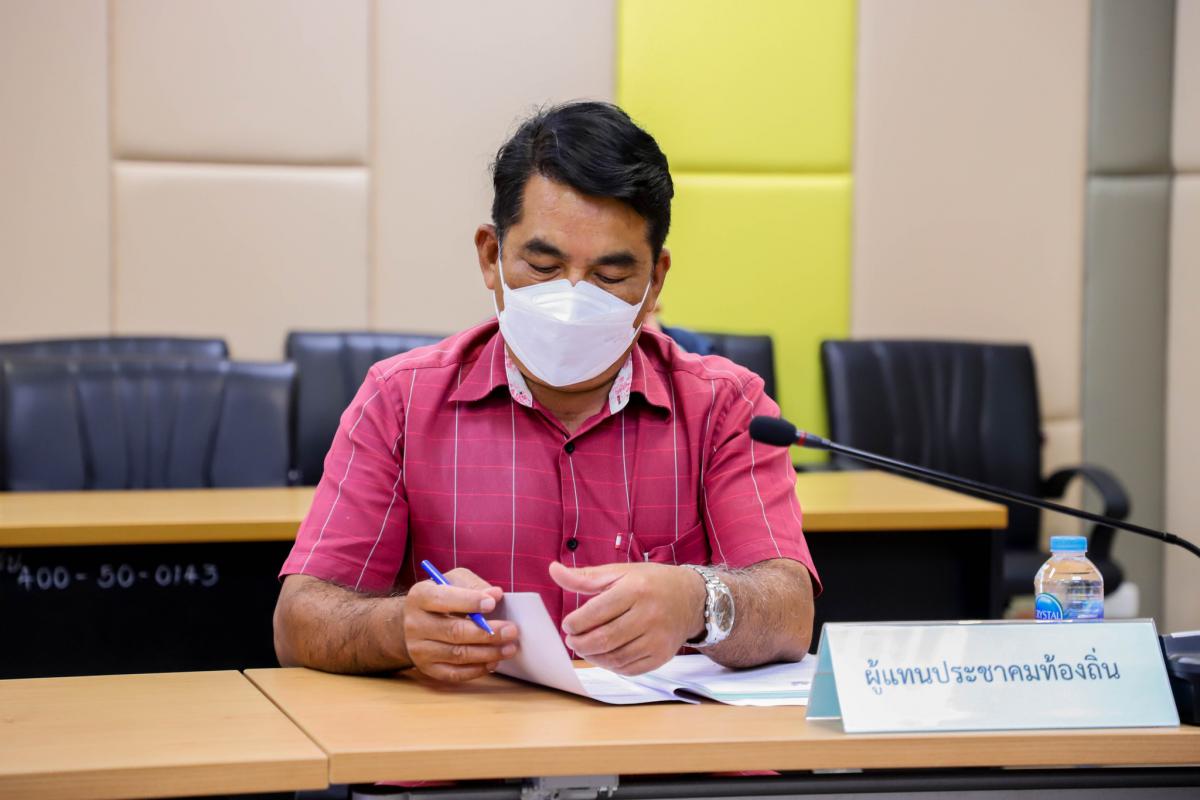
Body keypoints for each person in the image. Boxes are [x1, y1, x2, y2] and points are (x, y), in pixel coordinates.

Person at [273, 101, 819, 683]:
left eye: (611, 276)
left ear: (655, 281)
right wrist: (398, 628)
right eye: (542, 266)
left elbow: (790, 613)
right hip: (470, 735)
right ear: (491, 256)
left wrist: (698, 602)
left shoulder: (726, 407)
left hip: (662, 739)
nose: (573, 298)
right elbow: (299, 620)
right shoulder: (400, 401)